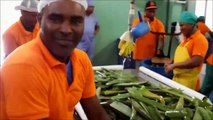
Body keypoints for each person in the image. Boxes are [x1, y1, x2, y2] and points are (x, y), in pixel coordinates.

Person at [0, 0, 110, 119]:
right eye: (55, 19)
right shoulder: (23, 67)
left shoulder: (81, 60)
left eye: (76, 21)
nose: (66, 30)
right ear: (40, 20)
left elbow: (97, 114)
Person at [165, 11, 208, 91]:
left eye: (182, 25)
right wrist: (172, 62)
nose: (180, 28)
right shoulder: (186, 39)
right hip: (177, 81)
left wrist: (174, 65)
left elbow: (196, 61)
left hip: (188, 85)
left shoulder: (200, 39)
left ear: (191, 25)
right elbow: (185, 58)